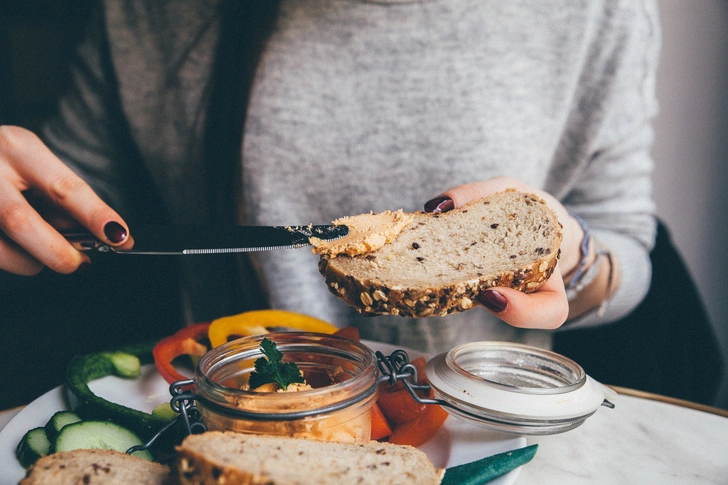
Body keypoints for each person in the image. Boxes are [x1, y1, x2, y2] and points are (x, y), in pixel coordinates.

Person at [0, 0, 659, 356]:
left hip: (481, 437)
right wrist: (19, 210)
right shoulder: (149, 13)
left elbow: (627, 244)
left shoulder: (597, 13)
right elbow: (62, 209)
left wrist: (567, 256)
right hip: (237, 414)